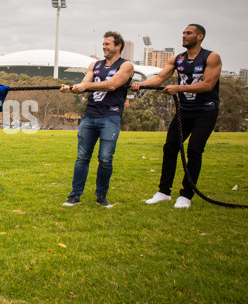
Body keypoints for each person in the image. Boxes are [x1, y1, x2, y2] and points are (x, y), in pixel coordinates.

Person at [132, 24, 221, 209]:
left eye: (189, 33)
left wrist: (178, 88)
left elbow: (208, 85)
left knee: (194, 150)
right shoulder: (178, 59)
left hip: (205, 112)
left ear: (200, 36)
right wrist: (142, 85)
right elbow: (160, 78)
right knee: (170, 147)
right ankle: (164, 192)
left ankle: (186, 195)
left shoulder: (211, 57)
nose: (184, 36)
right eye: (183, 33)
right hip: (184, 111)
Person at [60, 31, 134, 208]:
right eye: (103, 44)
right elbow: (85, 82)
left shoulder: (126, 65)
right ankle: (74, 196)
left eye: (108, 44)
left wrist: (85, 86)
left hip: (110, 117)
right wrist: (71, 88)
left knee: (105, 158)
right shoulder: (95, 65)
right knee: (82, 157)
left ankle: (101, 197)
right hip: (90, 116)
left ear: (118, 46)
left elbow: (112, 85)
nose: (104, 47)